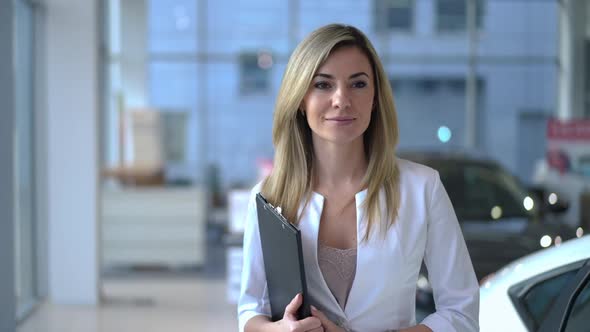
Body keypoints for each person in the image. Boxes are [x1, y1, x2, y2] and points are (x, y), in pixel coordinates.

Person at [238, 24, 479, 332]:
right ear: (301, 98)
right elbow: (249, 311)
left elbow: (461, 313)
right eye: (323, 85)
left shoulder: (423, 188)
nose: (342, 99)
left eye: (358, 84)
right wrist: (279, 330)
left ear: (376, 97)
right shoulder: (270, 196)